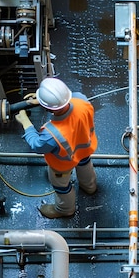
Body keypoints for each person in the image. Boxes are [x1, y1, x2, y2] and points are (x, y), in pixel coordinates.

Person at [14, 77, 98, 218]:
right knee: (85, 166)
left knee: (61, 186)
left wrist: (25, 122)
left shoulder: (51, 133)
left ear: (47, 108)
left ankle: (65, 209)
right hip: (85, 150)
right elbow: (68, 104)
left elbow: (37, 145)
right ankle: (90, 187)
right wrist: (41, 101)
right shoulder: (82, 100)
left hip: (63, 164)